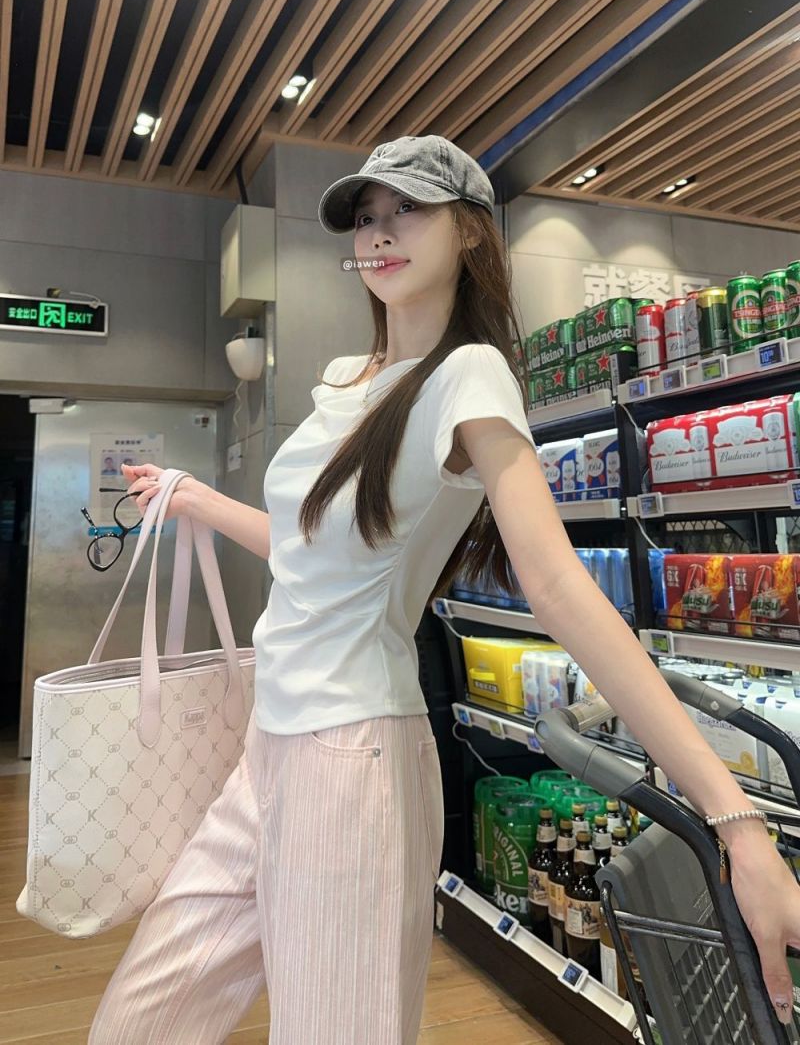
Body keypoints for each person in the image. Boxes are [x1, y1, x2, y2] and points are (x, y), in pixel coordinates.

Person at [88, 135, 799, 1044]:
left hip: (352, 760)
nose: (380, 234)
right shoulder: (350, 382)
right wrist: (195, 498)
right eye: (366, 217)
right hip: (269, 748)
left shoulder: (469, 375)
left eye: (408, 210)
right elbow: (312, 557)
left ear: (469, 231)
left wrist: (735, 821)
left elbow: (558, 587)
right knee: (141, 1017)